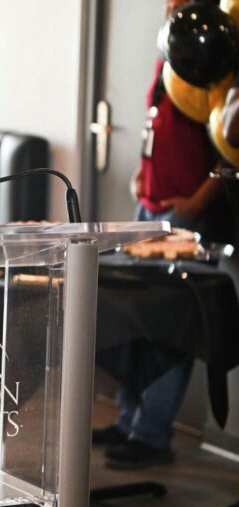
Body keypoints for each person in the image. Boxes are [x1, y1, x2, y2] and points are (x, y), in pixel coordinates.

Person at [93, 0, 228, 470]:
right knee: (137, 321)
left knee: (169, 328)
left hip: (184, 217)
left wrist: (197, 201)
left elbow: (229, 143)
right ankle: (130, 418)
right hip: (148, 206)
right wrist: (140, 176)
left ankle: (152, 434)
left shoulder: (214, 51)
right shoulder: (171, 47)